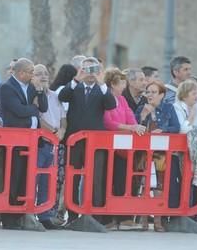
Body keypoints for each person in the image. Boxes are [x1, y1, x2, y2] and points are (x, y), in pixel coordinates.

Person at [59, 57, 117, 225]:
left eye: (94, 69)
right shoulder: (74, 87)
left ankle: (94, 215)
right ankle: (71, 215)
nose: (90, 73)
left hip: (95, 141)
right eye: (87, 69)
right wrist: (77, 78)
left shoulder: (102, 90)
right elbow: (63, 96)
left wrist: (102, 83)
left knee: (95, 177)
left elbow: (111, 105)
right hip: (75, 140)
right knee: (73, 177)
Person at [0, 58, 48, 229]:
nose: (33, 75)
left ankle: (21, 214)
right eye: (30, 72)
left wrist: (40, 91)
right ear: (21, 73)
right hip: (15, 140)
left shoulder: (33, 87)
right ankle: (9, 217)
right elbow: (19, 111)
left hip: (33, 140)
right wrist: (32, 109)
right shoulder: (7, 88)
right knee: (14, 176)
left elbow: (43, 108)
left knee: (26, 178)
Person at [103, 68, 145, 231]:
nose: (124, 86)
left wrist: (136, 126)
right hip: (109, 145)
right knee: (110, 182)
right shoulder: (106, 98)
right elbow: (108, 122)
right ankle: (109, 218)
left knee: (124, 181)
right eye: (122, 83)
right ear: (113, 84)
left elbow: (129, 115)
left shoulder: (122, 99)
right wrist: (130, 127)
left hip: (123, 147)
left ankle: (124, 217)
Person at [137, 80, 180, 232]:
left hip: (161, 153)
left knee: (160, 185)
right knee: (144, 184)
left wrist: (163, 130)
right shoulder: (142, 108)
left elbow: (176, 127)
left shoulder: (169, 108)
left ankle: (158, 219)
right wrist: (143, 116)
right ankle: (142, 218)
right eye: (148, 92)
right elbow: (135, 126)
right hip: (144, 153)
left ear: (162, 95)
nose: (150, 95)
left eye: (154, 92)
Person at [31, 64, 66, 229]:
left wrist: (62, 130)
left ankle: (45, 215)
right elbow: (37, 117)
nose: (43, 76)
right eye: (39, 74)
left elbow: (63, 117)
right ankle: (30, 212)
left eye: (45, 73)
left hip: (54, 143)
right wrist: (52, 131)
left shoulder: (55, 95)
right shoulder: (32, 94)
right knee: (34, 179)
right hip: (40, 142)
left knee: (48, 180)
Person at [173, 79, 197, 214]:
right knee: (182, 181)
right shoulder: (177, 107)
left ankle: (193, 212)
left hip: (194, 149)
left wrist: (192, 124)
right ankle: (182, 210)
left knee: (194, 181)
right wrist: (192, 117)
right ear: (185, 94)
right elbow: (182, 129)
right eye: (194, 93)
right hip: (180, 151)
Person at [48, 63, 77, 223]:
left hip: (60, 136)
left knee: (59, 177)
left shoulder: (55, 90)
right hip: (60, 138)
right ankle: (54, 211)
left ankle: (55, 210)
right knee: (58, 177)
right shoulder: (62, 92)